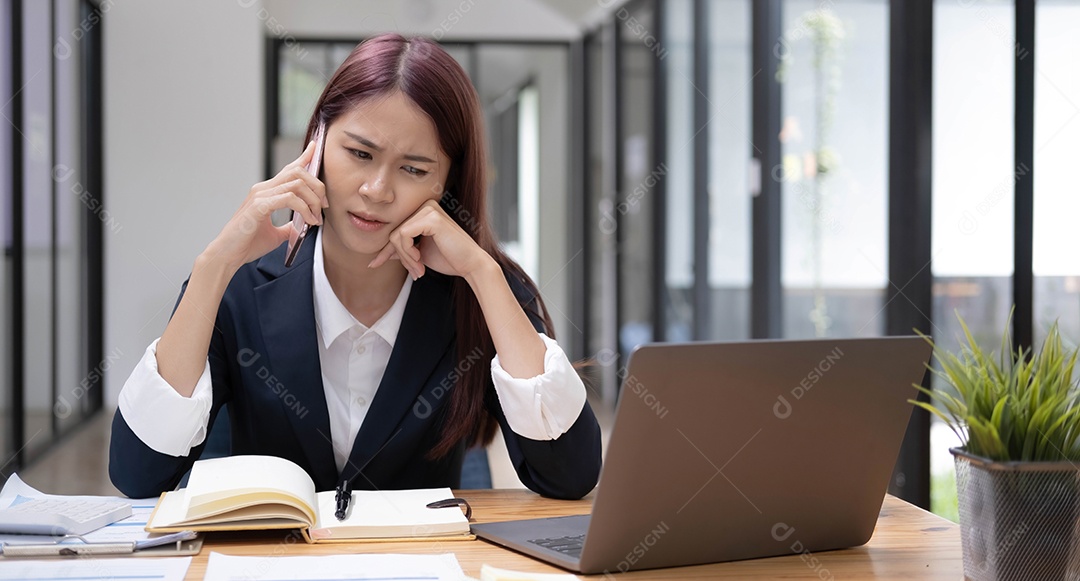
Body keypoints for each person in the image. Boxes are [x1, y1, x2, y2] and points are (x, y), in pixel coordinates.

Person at [109, 33, 602, 500]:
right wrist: (214, 263)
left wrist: (483, 273)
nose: (377, 190)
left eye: (414, 169)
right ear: (318, 145)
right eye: (359, 153)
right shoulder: (240, 284)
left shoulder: (479, 289)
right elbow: (138, 473)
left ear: (447, 183)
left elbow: (569, 475)